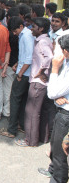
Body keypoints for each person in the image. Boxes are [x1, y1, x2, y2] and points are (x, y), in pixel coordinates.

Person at [13, 17, 53, 147]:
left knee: (31, 112)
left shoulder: (42, 42)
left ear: (41, 29)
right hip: (39, 81)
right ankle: (42, 137)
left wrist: (41, 72)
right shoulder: (44, 40)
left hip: (37, 82)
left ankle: (30, 140)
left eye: (34, 26)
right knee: (40, 111)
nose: (31, 29)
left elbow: (50, 57)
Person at [39, 34, 69, 183]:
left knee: (60, 154)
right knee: (55, 148)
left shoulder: (63, 65)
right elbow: (55, 92)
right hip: (62, 110)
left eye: (60, 49)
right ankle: (54, 173)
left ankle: (58, 179)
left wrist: (55, 68)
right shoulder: (67, 63)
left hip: (66, 115)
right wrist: (56, 95)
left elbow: (51, 92)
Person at [0, 16, 34, 137]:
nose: (14, 34)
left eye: (15, 31)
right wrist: (17, 64)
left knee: (14, 99)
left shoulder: (27, 36)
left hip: (23, 74)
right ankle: (21, 125)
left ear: (21, 26)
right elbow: (24, 56)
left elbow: (29, 59)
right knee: (22, 100)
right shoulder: (23, 35)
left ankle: (12, 130)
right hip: (22, 70)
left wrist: (20, 73)